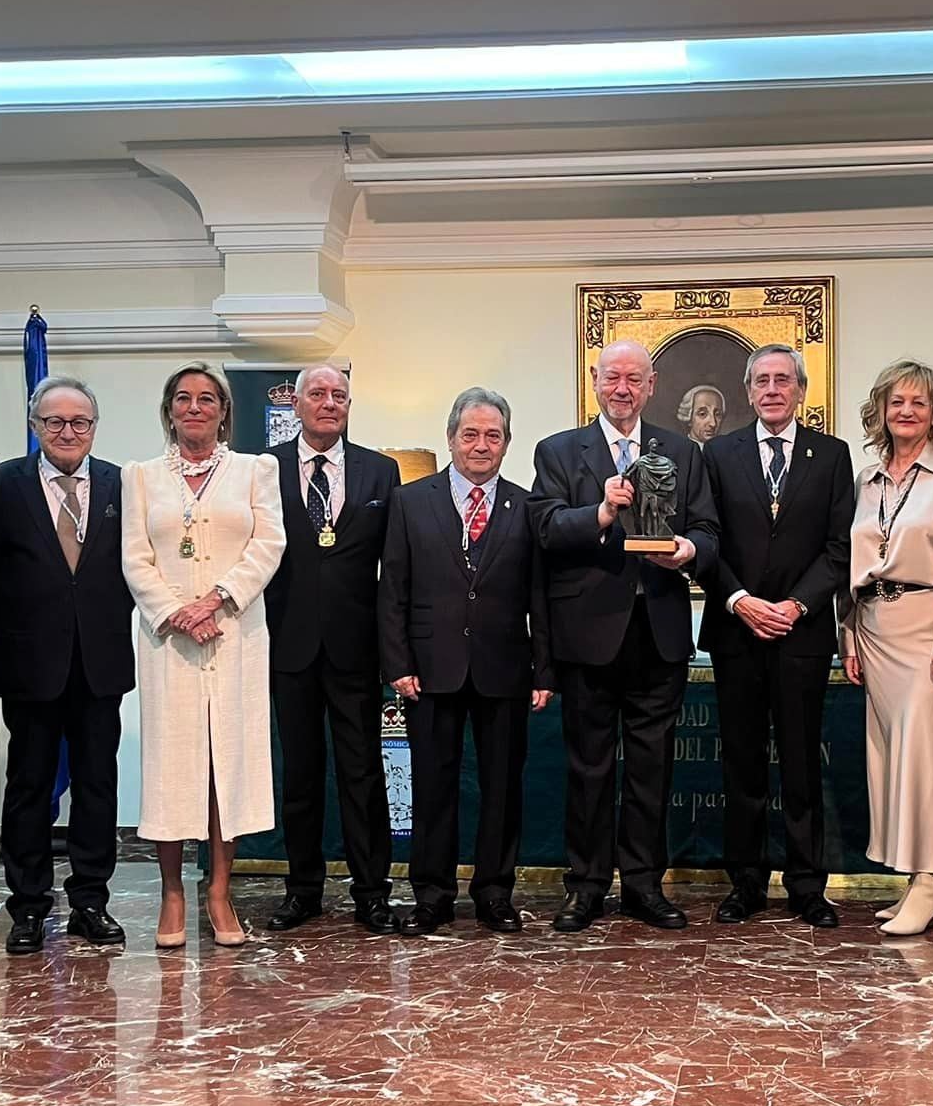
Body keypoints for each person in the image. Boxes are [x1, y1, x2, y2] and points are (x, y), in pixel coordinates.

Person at [527, 338, 720, 932]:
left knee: (651, 766)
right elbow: (546, 526)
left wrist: (688, 550)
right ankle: (584, 886)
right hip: (587, 634)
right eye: (613, 377)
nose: (623, 388)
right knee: (588, 767)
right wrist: (603, 513)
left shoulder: (683, 453)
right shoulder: (559, 450)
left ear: (652, 384)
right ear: (595, 379)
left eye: (634, 378)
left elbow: (709, 531)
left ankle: (642, 884)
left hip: (657, 631)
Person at [379, 388, 554, 935]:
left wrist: (544, 669)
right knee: (433, 785)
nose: (481, 445)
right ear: (451, 438)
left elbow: (539, 597)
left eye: (493, 436)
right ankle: (430, 895)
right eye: (471, 434)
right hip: (430, 670)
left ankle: (495, 894)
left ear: (507, 444)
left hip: (505, 668)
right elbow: (394, 592)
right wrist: (398, 662)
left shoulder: (527, 507)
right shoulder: (411, 501)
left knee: (503, 786)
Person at [122, 363, 285, 949]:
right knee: (173, 768)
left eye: (207, 398)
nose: (195, 407)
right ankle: (171, 893)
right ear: (169, 410)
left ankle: (219, 892)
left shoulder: (254, 470)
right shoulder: (139, 476)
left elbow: (270, 543)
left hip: (235, 636)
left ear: (224, 411)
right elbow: (135, 556)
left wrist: (216, 601)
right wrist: (175, 612)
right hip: (170, 644)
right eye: (184, 398)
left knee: (226, 768)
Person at [0, 375, 136, 954]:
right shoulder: (3, 483)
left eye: (80, 423)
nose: (68, 433)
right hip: (29, 662)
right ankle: (28, 907)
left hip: (101, 661)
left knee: (98, 784)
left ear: (94, 427)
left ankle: (91, 901)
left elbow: (137, 567)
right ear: (35, 425)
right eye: (55, 422)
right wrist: (20, 628)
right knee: (28, 786)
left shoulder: (124, 484)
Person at [700, 344, 854, 928]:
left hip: (801, 631)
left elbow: (840, 546)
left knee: (799, 762)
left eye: (782, 380)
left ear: (800, 390)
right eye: (761, 380)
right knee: (741, 763)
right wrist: (742, 601)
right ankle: (745, 883)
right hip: (736, 628)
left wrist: (794, 605)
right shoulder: (716, 454)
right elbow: (704, 539)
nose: (772, 389)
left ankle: (807, 886)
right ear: (747, 391)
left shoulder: (831, 455)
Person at [842, 359, 933, 937]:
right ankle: (914, 880)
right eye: (896, 401)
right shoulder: (866, 479)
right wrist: (849, 633)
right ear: (881, 409)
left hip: (930, 626)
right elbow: (857, 562)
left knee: (927, 759)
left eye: (919, 403)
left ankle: (930, 883)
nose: (906, 411)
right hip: (875, 628)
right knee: (890, 759)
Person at [263, 365, 403, 935]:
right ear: (295, 405)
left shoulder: (381, 470)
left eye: (338, 395)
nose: (328, 403)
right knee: (299, 775)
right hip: (286, 643)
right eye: (317, 394)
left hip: (356, 647)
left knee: (363, 773)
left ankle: (372, 892)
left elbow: (394, 569)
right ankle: (303, 890)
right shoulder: (261, 468)